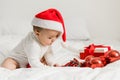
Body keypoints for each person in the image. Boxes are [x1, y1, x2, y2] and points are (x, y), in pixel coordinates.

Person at [1, 8, 66, 70]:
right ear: (37, 33)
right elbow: (34, 63)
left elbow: (48, 54)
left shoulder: (45, 41)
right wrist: (47, 68)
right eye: (50, 37)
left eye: (56, 36)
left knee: (44, 59)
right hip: (16, 60)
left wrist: (52, 63)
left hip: (28, 61)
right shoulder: (33, 44)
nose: (53, 40)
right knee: (8, 65)